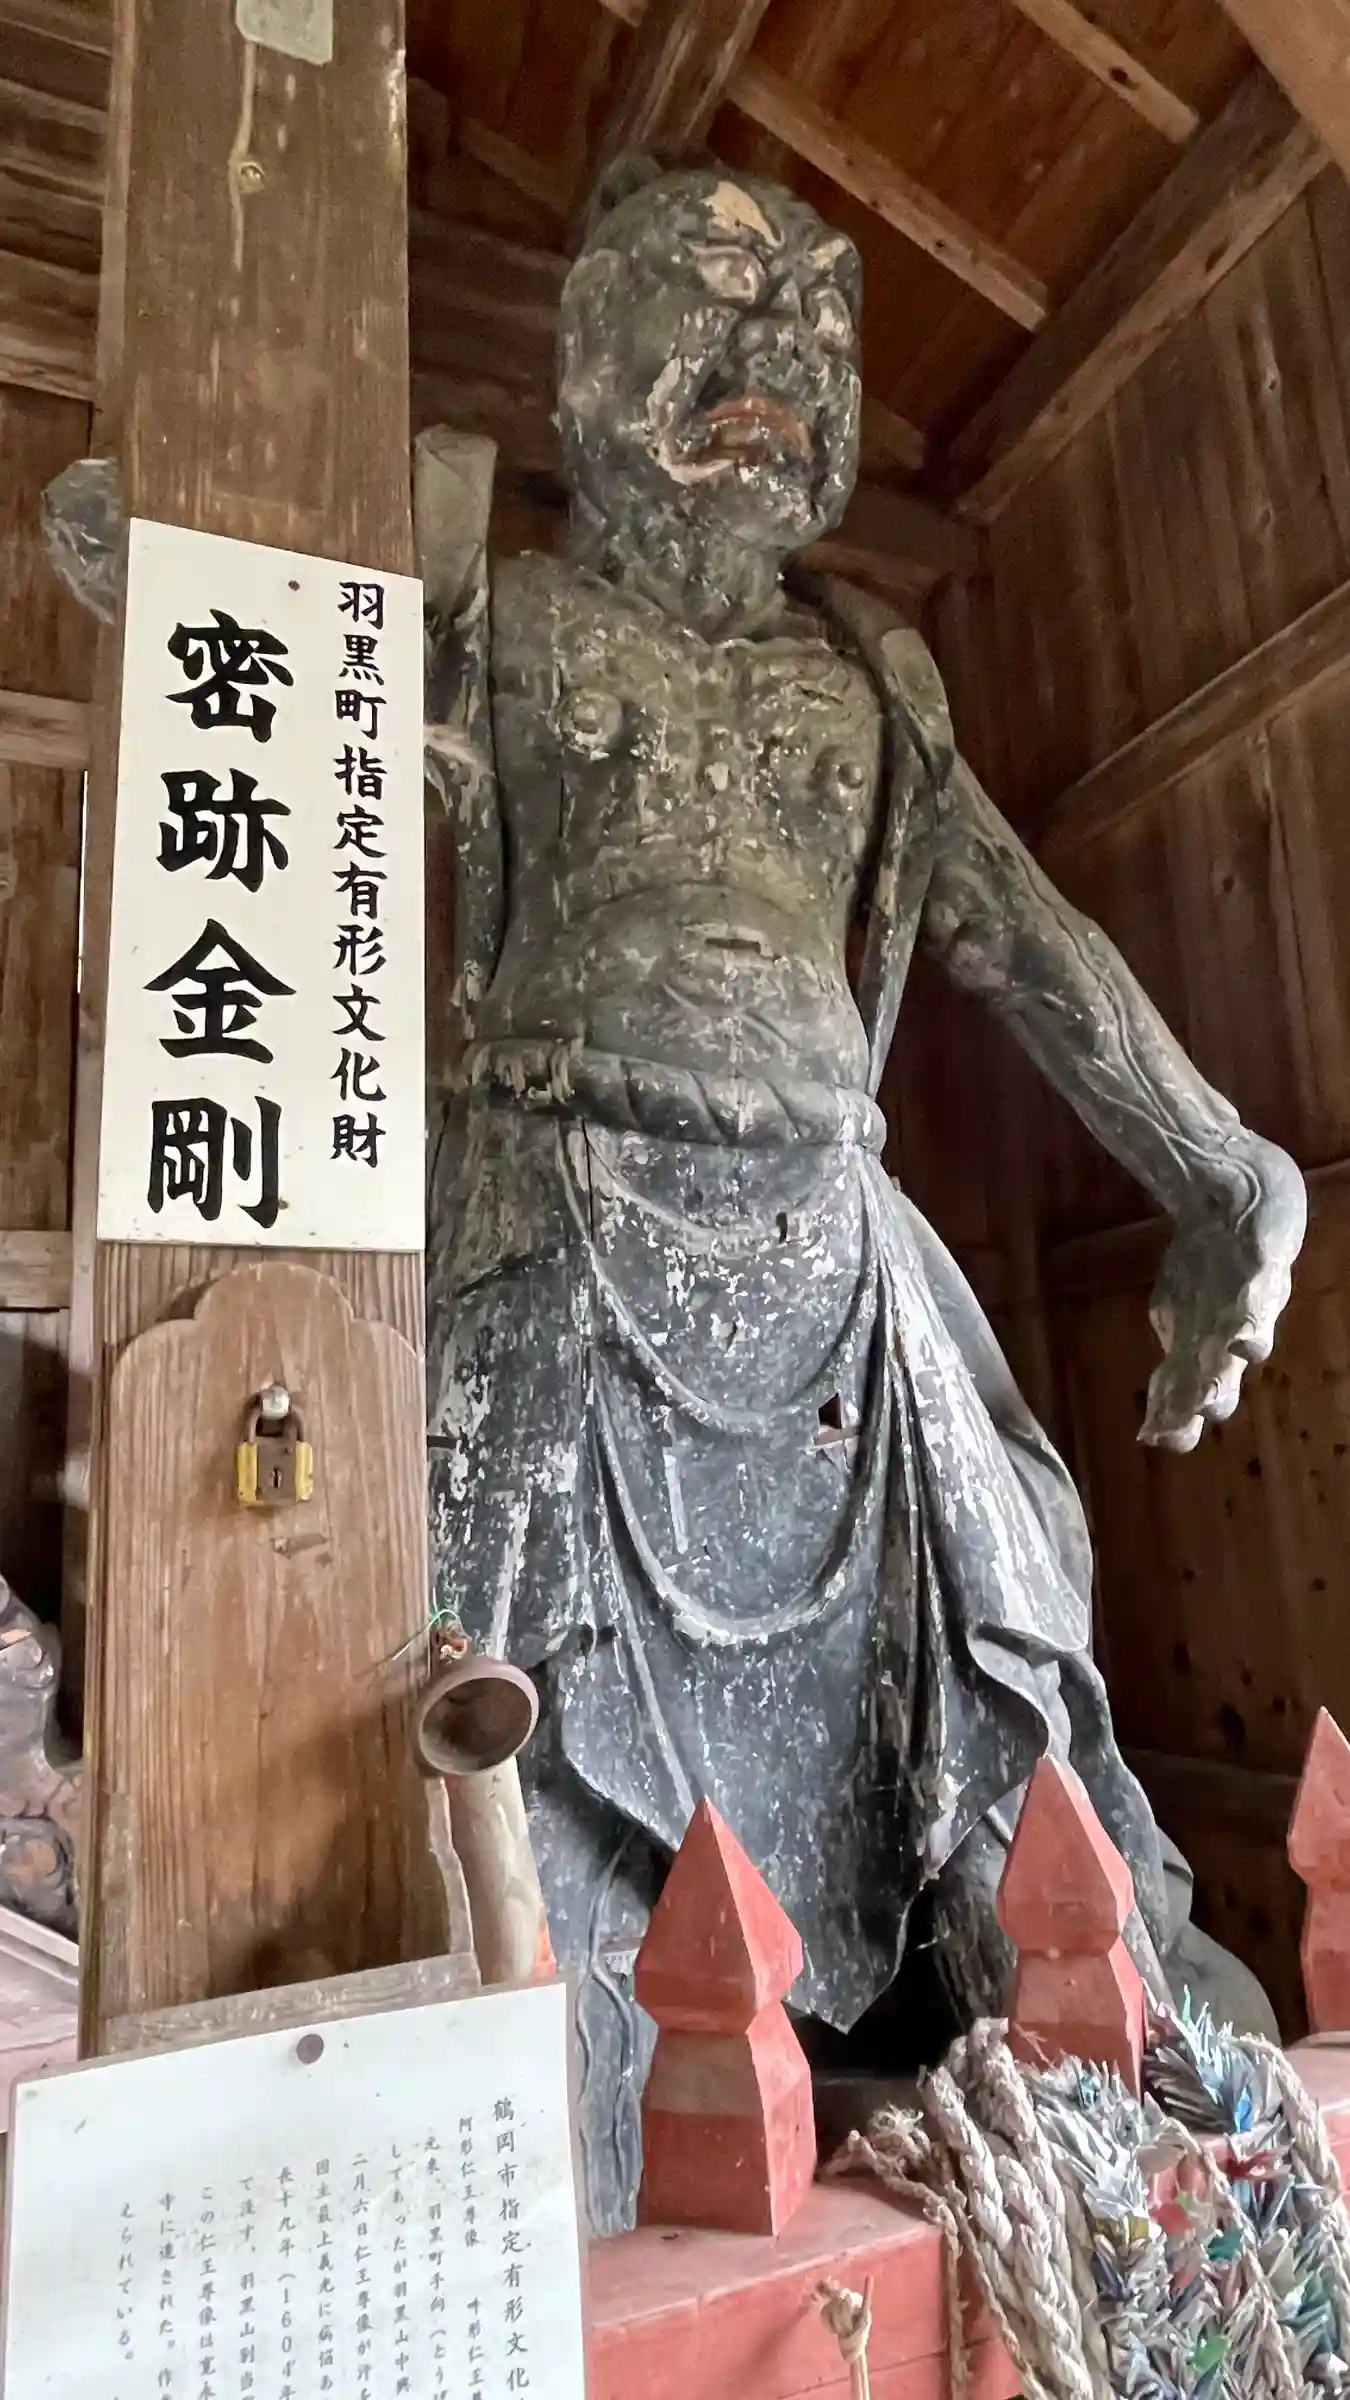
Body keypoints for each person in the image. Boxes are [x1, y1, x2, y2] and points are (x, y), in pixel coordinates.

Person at [424, 157, 1305, 2232]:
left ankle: (1105, 2077)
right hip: (560, 1225)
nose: (777, 363)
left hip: (837, 1249)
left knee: (1010, 1630)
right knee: (504, 1718)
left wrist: (1228, 1167)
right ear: (586, 358)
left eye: (815, 326)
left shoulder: (866, 689)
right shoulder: (500, 619)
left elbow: (1031, 945)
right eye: (715, 307)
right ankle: (568, 2151)